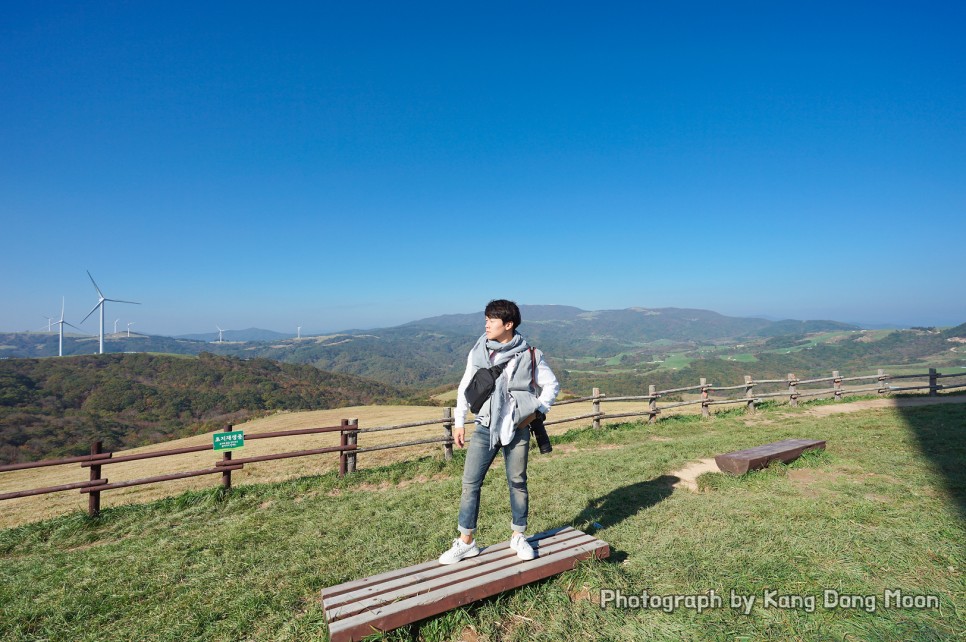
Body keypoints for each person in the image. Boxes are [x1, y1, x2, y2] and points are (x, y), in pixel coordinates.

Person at [439, 299, 560, 564]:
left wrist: (536, 411)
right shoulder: (479, 351)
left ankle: (518, 536)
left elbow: (551, 385)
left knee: (517, 482)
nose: (486, 324)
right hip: (484, 427)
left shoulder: (530, 354)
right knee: (470, 483)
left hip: (517, 429)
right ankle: (466, 541)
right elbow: (464, 387)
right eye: (486, 318)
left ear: (509, 324)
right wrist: (459, 421)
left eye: (492, 320)